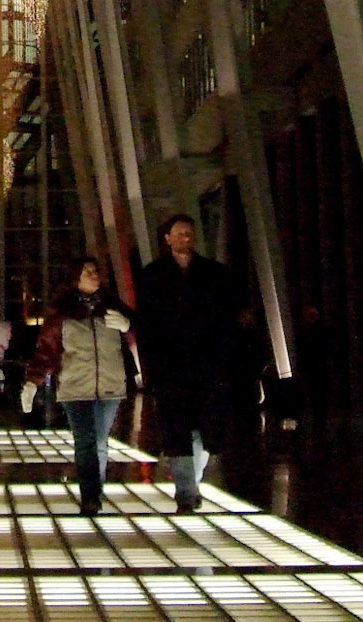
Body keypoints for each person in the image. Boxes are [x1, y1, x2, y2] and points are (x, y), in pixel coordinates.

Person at [136, 212, 242, 511]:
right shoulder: (154, 275)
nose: (186, 237)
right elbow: (147, 325)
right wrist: (153, 366)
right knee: (177, 428)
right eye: (180, 233)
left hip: (207, 365)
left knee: (205, 429)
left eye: (189, 233)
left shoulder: (214, 274)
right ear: (167, 238)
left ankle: (190, 483)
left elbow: (227, 318)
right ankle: (186, 490)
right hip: (171, 367)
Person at [21, 255, 133, 514]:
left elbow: (138, 334)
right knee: (86, 442)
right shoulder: (63, 313)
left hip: (109, 384)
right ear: (76, 279)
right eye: (88, 272)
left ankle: (95, 490)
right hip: (75, 386)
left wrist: (128, 327)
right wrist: (32, 381)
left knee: (100, 442)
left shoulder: (112, 306)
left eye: (96, 271)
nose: (95, 275)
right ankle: (90, 496)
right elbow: (47, 349)